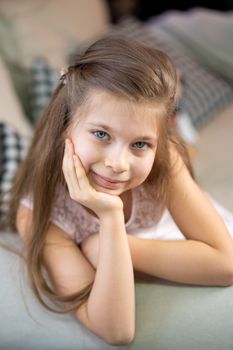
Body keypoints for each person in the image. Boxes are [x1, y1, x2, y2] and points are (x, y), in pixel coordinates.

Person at [3, 36, 233, 345]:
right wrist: (110, 217)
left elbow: (225, 264)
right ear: (65, 127)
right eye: (101, 134)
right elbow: (116, 330)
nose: (118, 164)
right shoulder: (40, 212)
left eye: (140, 144)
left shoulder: (165, 159)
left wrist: (102, 246)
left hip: (190, 238)